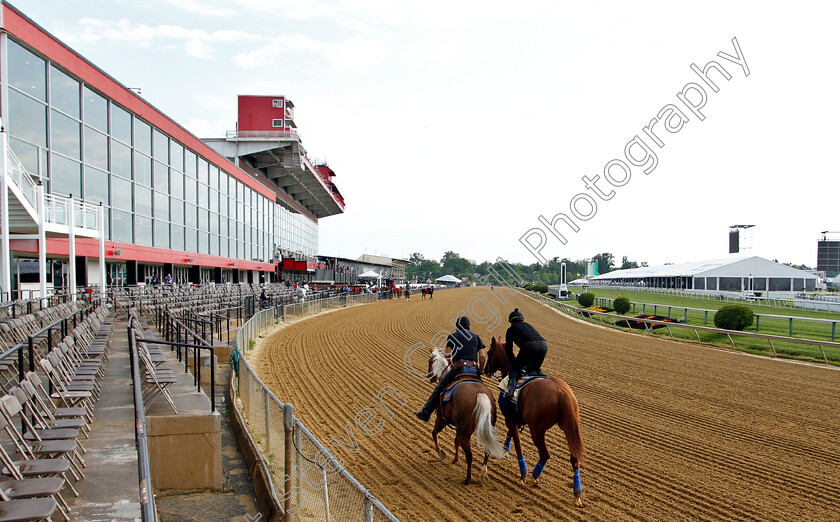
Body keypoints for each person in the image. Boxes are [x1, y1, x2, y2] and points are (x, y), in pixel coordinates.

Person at [414, 316, 486, 422]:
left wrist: (452, 362)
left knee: (439, 388)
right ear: (469, 327)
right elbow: (482, 356)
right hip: (474, 369)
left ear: (457, 327)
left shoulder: (452, 336)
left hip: (459, 369)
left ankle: (425, 412)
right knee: (485, 391)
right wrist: (481, 370)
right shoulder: (476, 337)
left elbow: (447, 355)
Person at [504, 308, 548, 399]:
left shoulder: (511, 329)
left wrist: (514, 362)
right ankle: (544, 381)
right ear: (522, 319)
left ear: (511, 321)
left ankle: (510, 390)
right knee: (534, 369)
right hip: (544, 345)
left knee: (515, 370)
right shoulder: (528, 325)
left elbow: (509, 349)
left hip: (529, 346)